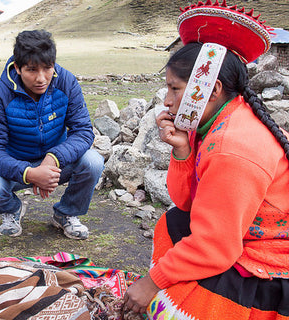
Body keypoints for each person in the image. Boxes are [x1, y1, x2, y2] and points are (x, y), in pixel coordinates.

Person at [122, 1, 289, 319]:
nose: (167, 103)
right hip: (239, 238)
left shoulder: (234, 147)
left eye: (174, 89)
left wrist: (150, 283)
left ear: (210, 89)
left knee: (177, 303)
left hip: (270, 260)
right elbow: (185, 203)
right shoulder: (215, 120)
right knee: (172, 223)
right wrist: (182, 151)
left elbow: (216, 247)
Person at [0, 30, 104, 240]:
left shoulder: (66, 82)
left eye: (47, 68)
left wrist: (53, 158)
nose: (41, 78)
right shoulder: (0, 93)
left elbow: (82, 131)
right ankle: (13, 209)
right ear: (17, 68)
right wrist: (29, 173)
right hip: (14, 166)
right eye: (32, 70)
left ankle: (66, 214)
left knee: (93, 161)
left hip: (56, 162)